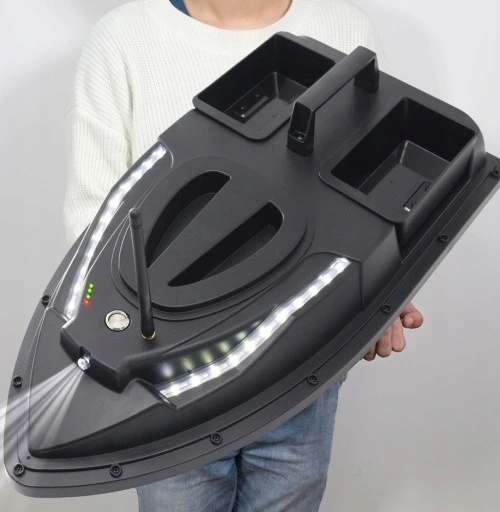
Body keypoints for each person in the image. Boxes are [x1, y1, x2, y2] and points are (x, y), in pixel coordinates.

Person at [64, 1, 424, 510]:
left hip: (298, 370)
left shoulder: (343, 28)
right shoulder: (122, 40)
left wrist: (385, 291)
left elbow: (372, 194)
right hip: (169, 387)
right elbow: (91, 219)